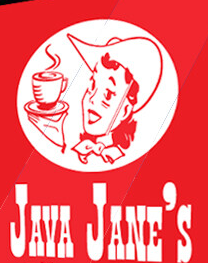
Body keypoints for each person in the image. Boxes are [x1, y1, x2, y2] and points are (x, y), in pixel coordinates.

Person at [67, 33, 163, 165]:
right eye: (92, 86)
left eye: (108, 94)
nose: (93, 99)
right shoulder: (67, 139)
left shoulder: (128, 154)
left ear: (125, 111)